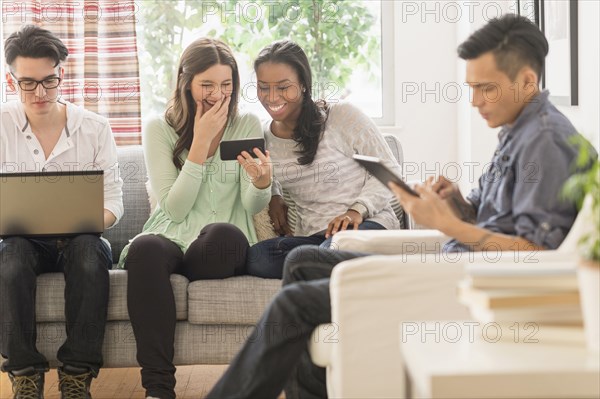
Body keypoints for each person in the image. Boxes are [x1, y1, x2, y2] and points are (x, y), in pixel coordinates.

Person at [206, 14, 597, 399]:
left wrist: (448, 225)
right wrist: (456, 201)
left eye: (486, 88)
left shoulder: (544, 142)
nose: (475, 101)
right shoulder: (517, 130)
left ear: (527, 81)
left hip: (465, 284)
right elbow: (496, 220)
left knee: (293, 302)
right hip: (452, 262)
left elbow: (536, 256)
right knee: (302, 261)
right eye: (471, 88)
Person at [118, 38, 272, 399]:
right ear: (185, 82)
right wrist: (200, 143)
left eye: (226, 84)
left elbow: (251, 205)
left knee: (225, 234)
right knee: (145, 248)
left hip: (217, 248)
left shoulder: (246, 123)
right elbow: (173, 209)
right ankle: (158, 389)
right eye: (207, 85)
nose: (218, 95)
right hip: (171, 237)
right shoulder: (160, 128)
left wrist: (262, 182)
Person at [0, 25, 124, 398]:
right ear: (11, 80)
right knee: (11, 255)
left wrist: (82, 221)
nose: (39, 93)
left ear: (61, 74)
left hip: (79, 240)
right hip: (21, 242)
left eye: (48, 81)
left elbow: (115, 202)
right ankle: (24, 373)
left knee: (88, 250)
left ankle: (76, 376)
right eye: (27, 83)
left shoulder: (95, 128)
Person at [246, 40, 401, 279]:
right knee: (258, 258)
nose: (271, 97)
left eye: (283, 87)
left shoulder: (341, 117)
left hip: (366, 225)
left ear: (304, 85)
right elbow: (269, 170)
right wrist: (275, 195)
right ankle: (349, 269)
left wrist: (356, 210)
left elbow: (389, 171)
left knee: (320, 255)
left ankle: (340, 267)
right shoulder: (266, 136)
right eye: (263, 87)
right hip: (314, 238)